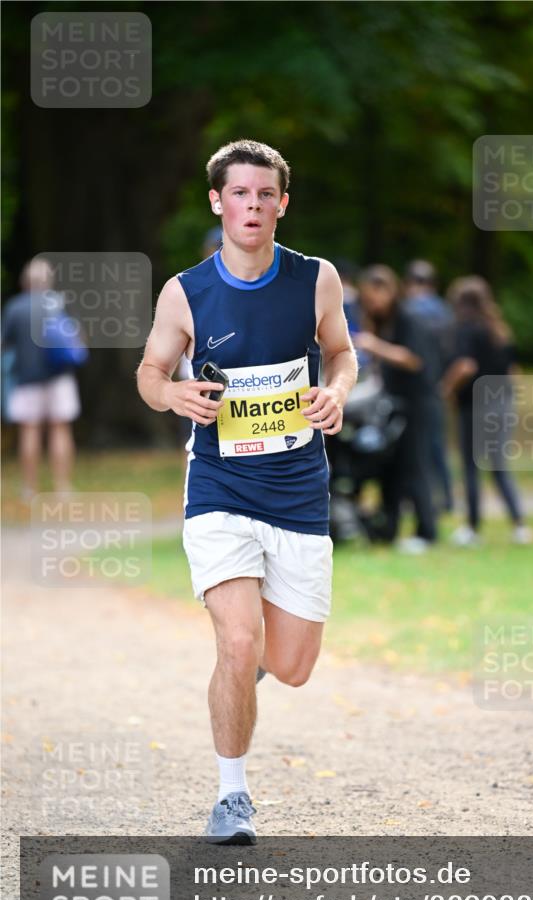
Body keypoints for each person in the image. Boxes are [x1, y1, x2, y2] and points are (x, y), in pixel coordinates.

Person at [136, 139, 357, 844]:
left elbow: (343, 352)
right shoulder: (186, 291)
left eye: (265, 194)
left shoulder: (315, 279)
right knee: (237, 640)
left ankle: (241, 678)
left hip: (297, 493)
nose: (252, 206)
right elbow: (148, 370)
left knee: (288, 667)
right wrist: (173, 395)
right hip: (220, 489)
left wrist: (337, 392)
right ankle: (231, 798)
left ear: (281, 204)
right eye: (240, 194)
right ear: (217, 202)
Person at [356, 265, 442, 553]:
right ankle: (388, 528)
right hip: (394, 403)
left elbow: (413, 359)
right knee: (392, 467)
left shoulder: (408, 319)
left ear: (388, 290)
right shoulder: (383, 321)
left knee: (417, 466)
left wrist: (374, 345)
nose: (371, 304)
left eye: (373, 297)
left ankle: (426, 531)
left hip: (419, 403)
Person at [443, 275, 533, 546]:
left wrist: (445, 389)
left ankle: (472, 528)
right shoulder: (499, 330)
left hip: (474, 405)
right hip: (502, 402)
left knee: (471, 466)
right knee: (499, 465)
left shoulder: (466, 328)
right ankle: (519, 525)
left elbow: (466, 366)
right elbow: (514, 371)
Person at [2, 257, 82, 499]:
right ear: (49, 280)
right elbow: (76, 337)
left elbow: (4, 343)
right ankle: (63, 487)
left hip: (27, 379)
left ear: (24, 281)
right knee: (61, 429)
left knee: (30, 431)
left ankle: (30, 488)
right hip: (60, 377)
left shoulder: (14, 308)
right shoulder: (58, 304)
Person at [402, 260, 455, 513]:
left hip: (416, 388)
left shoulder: (409, 310)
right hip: (440, 384)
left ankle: (420, 501)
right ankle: (447, 499)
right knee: (438, 446)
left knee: (418, 449)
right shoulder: (444, 311)